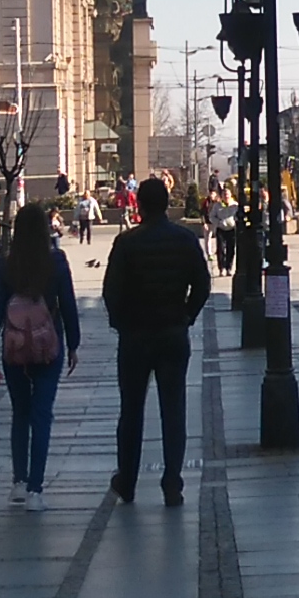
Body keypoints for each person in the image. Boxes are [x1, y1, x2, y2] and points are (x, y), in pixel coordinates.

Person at [100, 176, 212, 504]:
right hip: (173, 334)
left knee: (131, 410)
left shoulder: (126, 243)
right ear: (166, 204)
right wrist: (187, 315)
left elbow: (110, 291)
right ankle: (172, 481)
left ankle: (127, 480)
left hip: (135, 336)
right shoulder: (184, 239)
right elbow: (203, 284)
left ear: (140, 205)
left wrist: (121, 322)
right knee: (173, 410)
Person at [0, 202, 79, 510]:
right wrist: (73, 344)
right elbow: (68, 304)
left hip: (14, 350)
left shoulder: (5, 265)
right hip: (49, 346)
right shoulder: (57, 262)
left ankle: (19, 483)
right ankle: (36, 489)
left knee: (20, 412)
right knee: (42, 414)